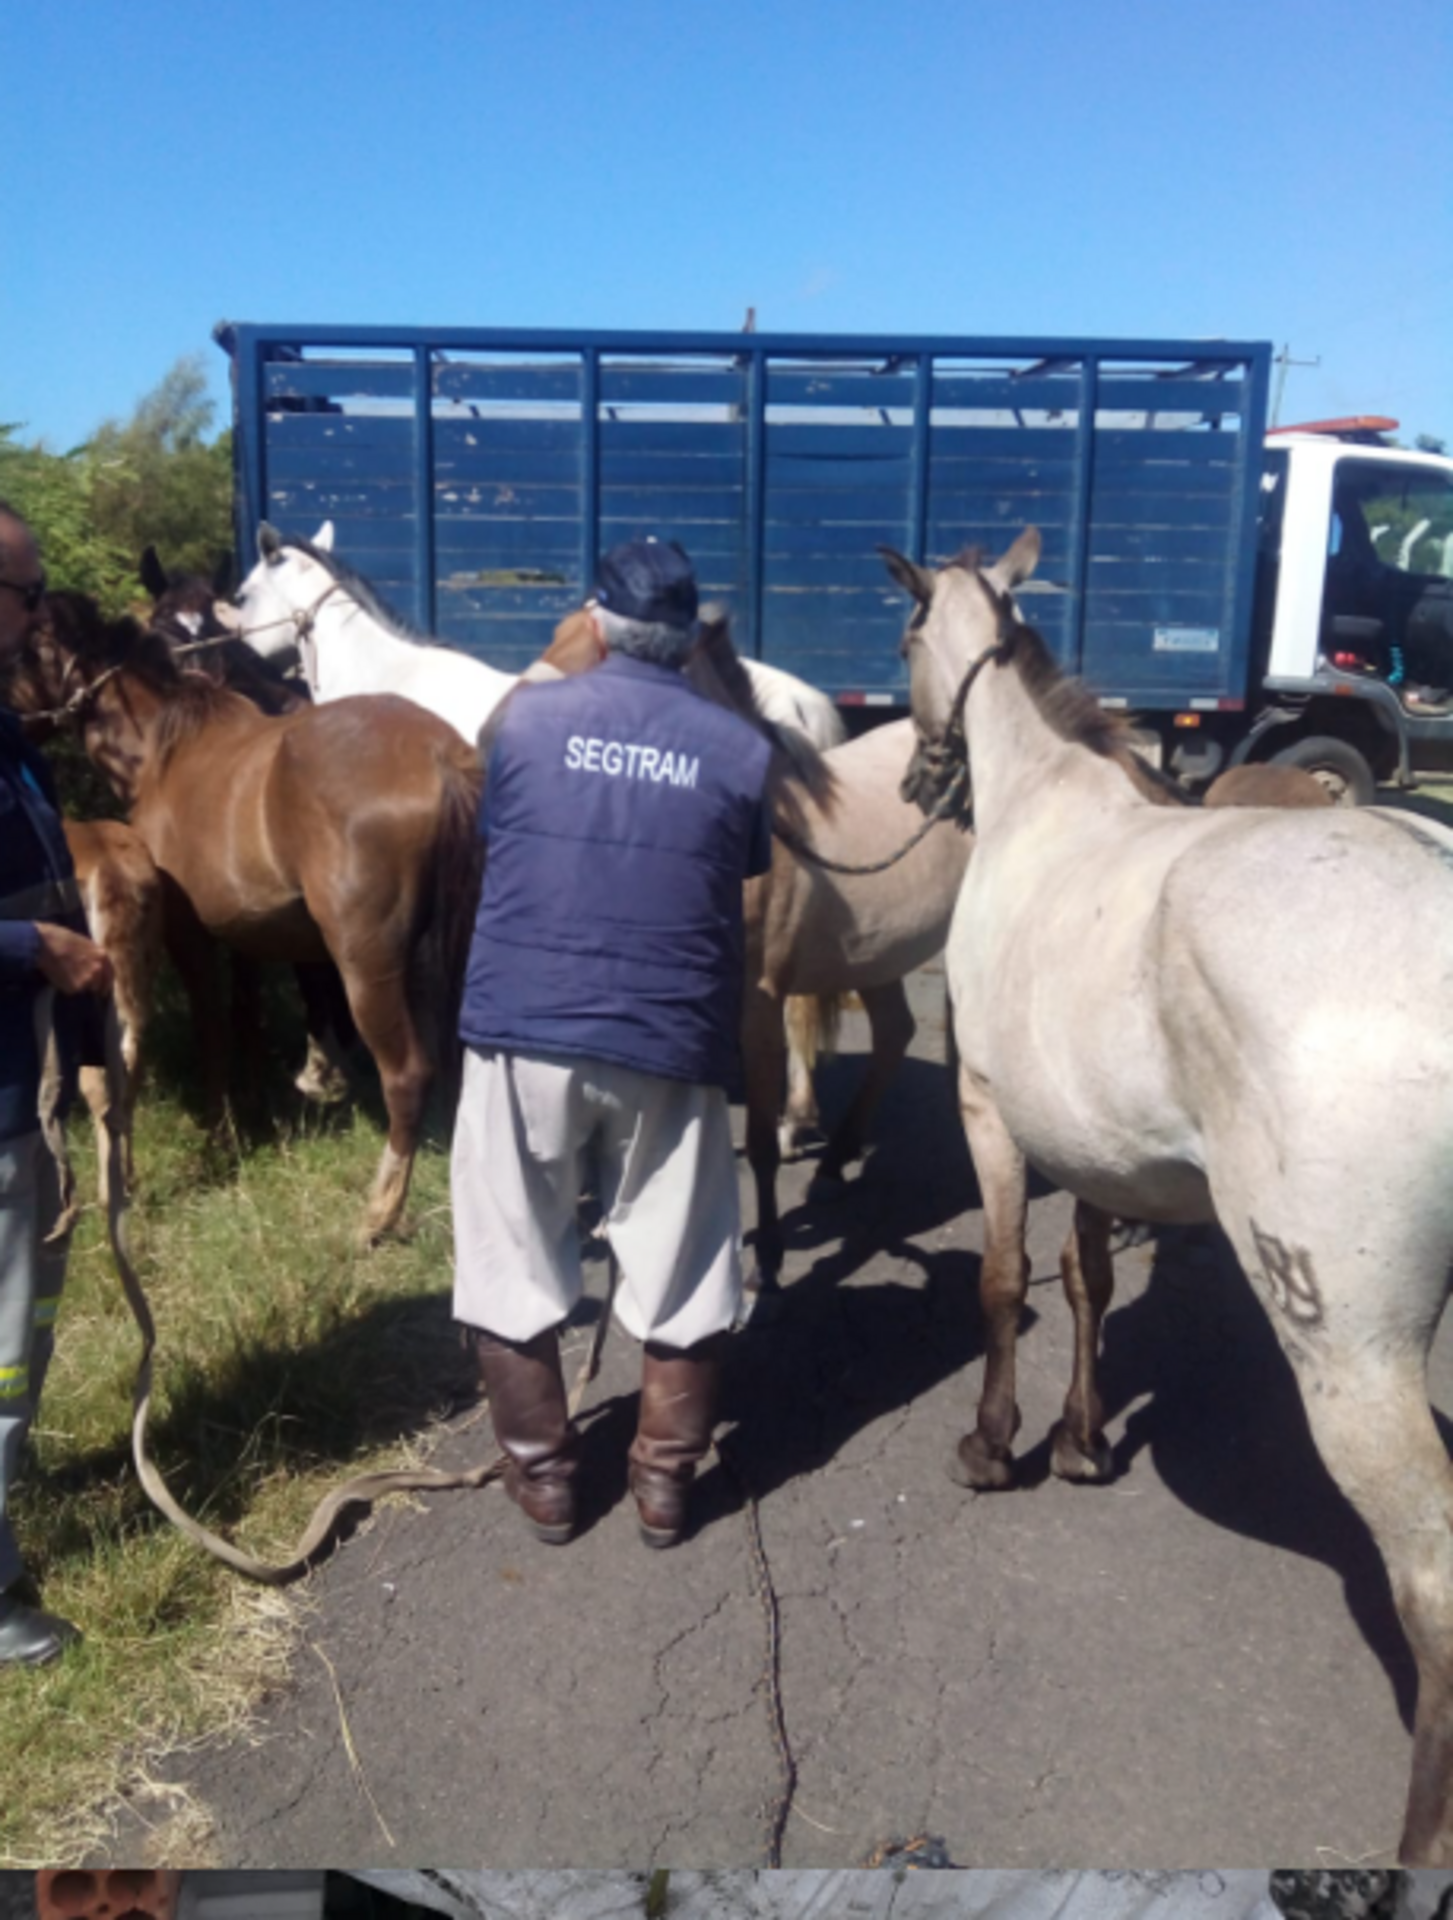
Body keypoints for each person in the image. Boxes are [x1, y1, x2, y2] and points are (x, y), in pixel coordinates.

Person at [451, 537, 773, 1548]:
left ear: (594, 623)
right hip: (669, 1035)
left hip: (524, 1025)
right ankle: (665, 1487)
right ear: (690, 638)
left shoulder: (522, 721)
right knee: (682, 1258)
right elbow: (734, 870)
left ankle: (547, 1483)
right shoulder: (740, 749)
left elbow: (503, 836)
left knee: (509, 1246)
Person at [0, 499, 113, 1664]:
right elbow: (37, 924)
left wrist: (85, 1048)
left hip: (24, 1081)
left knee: (23, 1320)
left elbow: (50, 888)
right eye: (27, 593)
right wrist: (32, 950)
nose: (40, 616)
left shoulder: (9, 731)